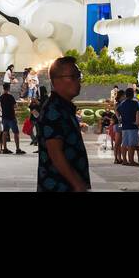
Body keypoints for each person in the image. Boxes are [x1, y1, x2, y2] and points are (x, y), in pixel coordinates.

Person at [38, 55, 90, 192]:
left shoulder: (64, 108)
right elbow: (55, 152)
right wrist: (77, 184)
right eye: (73, 76)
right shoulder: (53, 110)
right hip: (59, 186)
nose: (78, 81)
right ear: (56, 80)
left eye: (79, 76)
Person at [115, 88, 139, 164]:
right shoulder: (135, 103)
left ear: (126, 94)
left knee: (124, 143)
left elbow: (116, 110)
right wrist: (137, 122)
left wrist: (119, 118)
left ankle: (125, 161)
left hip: (124, 126)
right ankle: (131, 160)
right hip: (132, 126)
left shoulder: (122, 103)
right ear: (132, 94)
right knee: (131, 144)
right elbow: (138, 113)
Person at [0, 82, 24, 153]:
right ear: (9, 88)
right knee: (16, 133)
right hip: (11, 117)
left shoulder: (1, 97)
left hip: (4, 116)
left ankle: (5, 148)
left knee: (5, 132)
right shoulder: (10, 97)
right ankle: (17, 148)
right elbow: (15, 106)